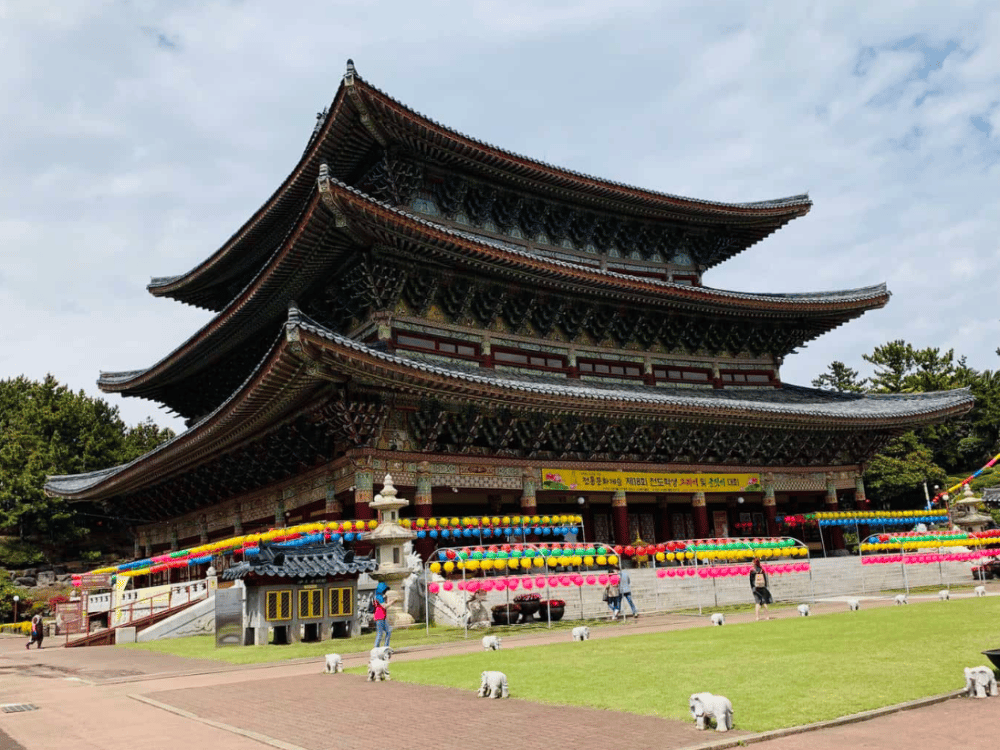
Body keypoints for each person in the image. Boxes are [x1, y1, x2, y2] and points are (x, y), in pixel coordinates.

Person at [373, 581, 391, 648]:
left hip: (383, 617)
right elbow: (385, 606)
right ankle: (376, 647)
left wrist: (387, 598)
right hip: (379, 617)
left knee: (388, 631)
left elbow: (386, 604)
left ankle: (386, 646)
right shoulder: (379, 597)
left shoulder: (381, 597)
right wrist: (393, 601)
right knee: (380, 633)